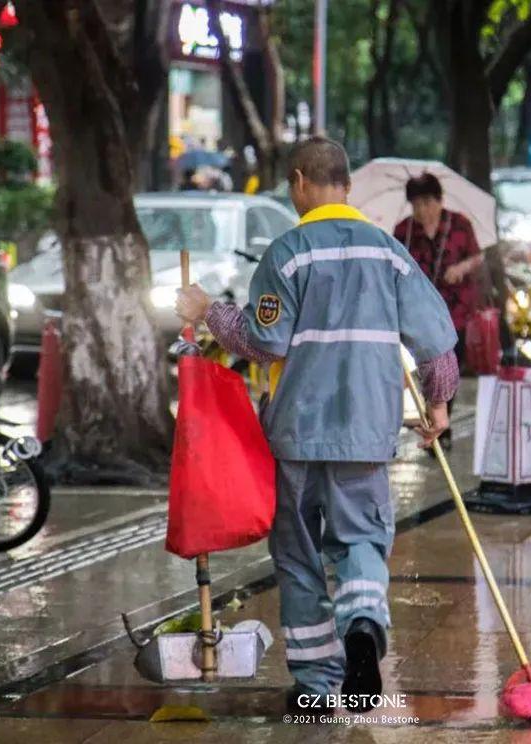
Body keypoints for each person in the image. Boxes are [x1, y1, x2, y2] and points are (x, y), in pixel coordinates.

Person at [175, 137, 458, 715]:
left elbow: (261, 341)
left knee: (301, 556)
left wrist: (208, 310)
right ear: (346, 186)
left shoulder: (289, 252)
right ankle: (362, 629)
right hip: (367, 429)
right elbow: (436, 345)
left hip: (297, 432)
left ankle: (317, 689)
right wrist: (440, 404)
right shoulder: (390, 253)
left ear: (301, 181)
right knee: (361, 540)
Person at [393, 173, 483, 448]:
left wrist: (461, 268)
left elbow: (477, 256)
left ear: (439, 200)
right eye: (416, 204)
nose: (422, 210)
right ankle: (435, 421)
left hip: (455, 307)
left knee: (449, 362)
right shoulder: (404, 230)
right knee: (423, 363)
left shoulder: (459, 224)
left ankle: (443, 418)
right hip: (418, 311)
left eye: (427, 203)